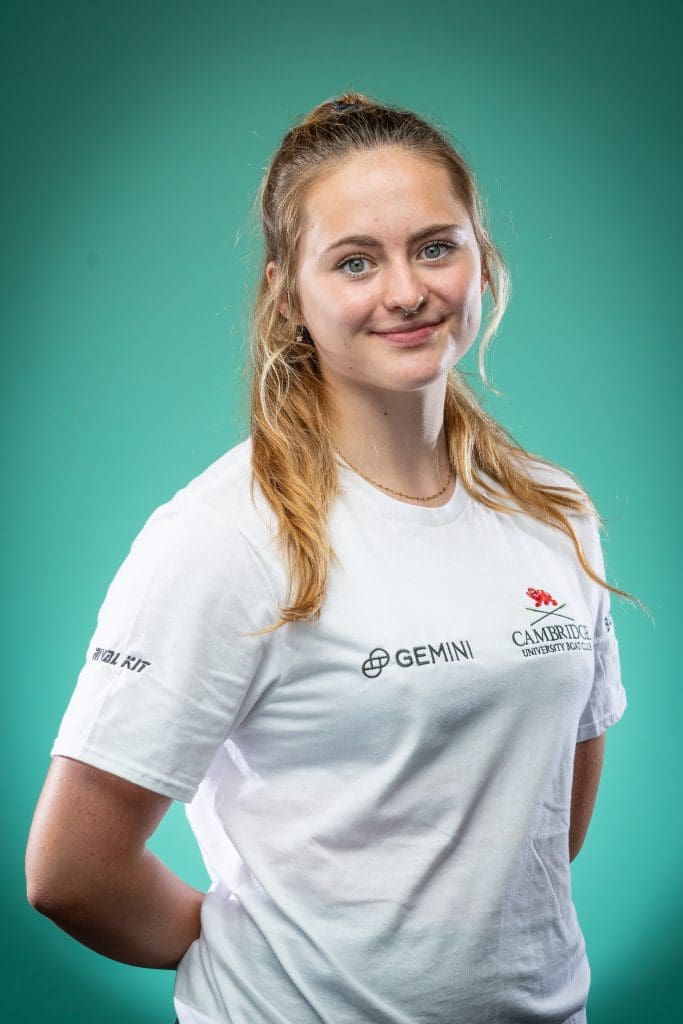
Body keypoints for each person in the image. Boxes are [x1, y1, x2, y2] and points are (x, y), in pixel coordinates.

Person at [25, 92, 635, 1024]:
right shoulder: (224, 538)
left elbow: (544, 829)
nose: (406, 291)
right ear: (286, 292)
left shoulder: (552, 512)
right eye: (355, 261)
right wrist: (263, 960)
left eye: (435, 247)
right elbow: (72, 872)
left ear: (481, 257)